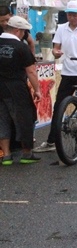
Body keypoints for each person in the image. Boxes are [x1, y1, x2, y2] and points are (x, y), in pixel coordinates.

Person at [35, 0, 77, 152]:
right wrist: (56, 52)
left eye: (75, 15)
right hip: (68, 73)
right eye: (69, 15)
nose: (72, 18)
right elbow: (55, 48)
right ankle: (51, 141)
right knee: (59, 106)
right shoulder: (61, 28)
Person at [0, 16, 42, 164]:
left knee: (2, 120)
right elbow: (31, 72)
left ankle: (6, 155)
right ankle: (26, 153)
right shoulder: (21, 47)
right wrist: (37, 90)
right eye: (24, 32)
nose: (24, 35)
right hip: (15, 88)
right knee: (24, 118)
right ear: (18, 30)